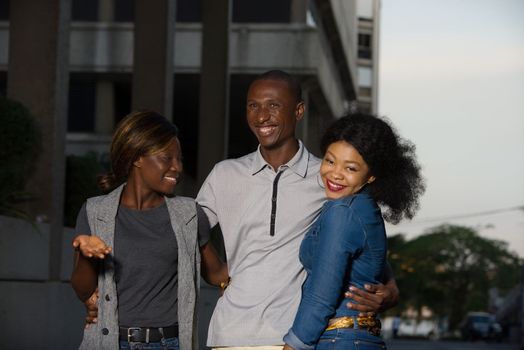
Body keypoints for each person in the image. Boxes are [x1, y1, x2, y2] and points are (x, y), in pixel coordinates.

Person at [196, 70, 400, 349]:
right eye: (253, 105)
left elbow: (361, 236)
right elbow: (189, 227)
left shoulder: (329, 175)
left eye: (273, 105)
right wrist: (218, 272)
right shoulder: (224, 174)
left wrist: (390, 287)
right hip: (230, 332)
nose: (261, 116)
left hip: (295, 334)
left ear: (299, 110)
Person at [71, 110, 228, 350]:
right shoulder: (95, 211)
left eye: (180, 159)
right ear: (137, 158)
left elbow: (217, 274)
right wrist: (86, 253)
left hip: (170, 343)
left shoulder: (188, 214)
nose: (177, 167)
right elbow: (83, 290)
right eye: (167, 157)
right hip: (111, 342)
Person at [282, 114, 425, 350]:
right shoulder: (365, 208)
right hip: (359, 338)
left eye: (350, 168)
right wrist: (391, 286)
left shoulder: (343, 211)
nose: (335, 174)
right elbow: (373, 263)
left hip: (339, 339)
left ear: (371, 175)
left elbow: (321, 297)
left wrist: (294, 345)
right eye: (330, 161)